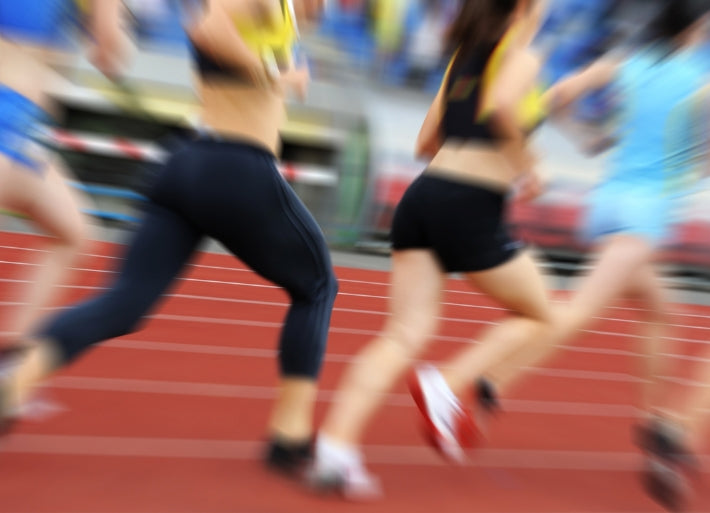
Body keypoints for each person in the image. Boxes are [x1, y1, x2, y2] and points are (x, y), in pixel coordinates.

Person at [0, 0, 338, 476]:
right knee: (319, 285)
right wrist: (274, 75)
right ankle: (290, 436)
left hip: (186, 164)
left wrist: (280, 60)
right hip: (236, 167)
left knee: (125, 303)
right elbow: (208, 30)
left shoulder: (281, 12)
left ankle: (16, 383)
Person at [466, 1, 710, 509]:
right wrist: (695, 168)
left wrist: (589, 139)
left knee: (664, 314)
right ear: (697, 28)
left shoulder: (631, 61)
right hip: (644, 214)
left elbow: (557, 95)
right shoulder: (700, 73)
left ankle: (654, 426)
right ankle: (493, 379)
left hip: (604, 201)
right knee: (578, 309)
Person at [307, 0, 553, 499]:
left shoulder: (463, 56)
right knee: (538, 315)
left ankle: (334, 451)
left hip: (424, 195)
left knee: (402, 333)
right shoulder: (523, 54)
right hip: (470, 201)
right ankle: (446, 383)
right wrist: (528, 166)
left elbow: (425, 142)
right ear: (525, 6)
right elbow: (504, 105)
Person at [0, 0, 108, 347]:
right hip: (10, 111)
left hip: (25, 124)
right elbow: (110, 53)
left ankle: (8, 362)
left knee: (72, 233)